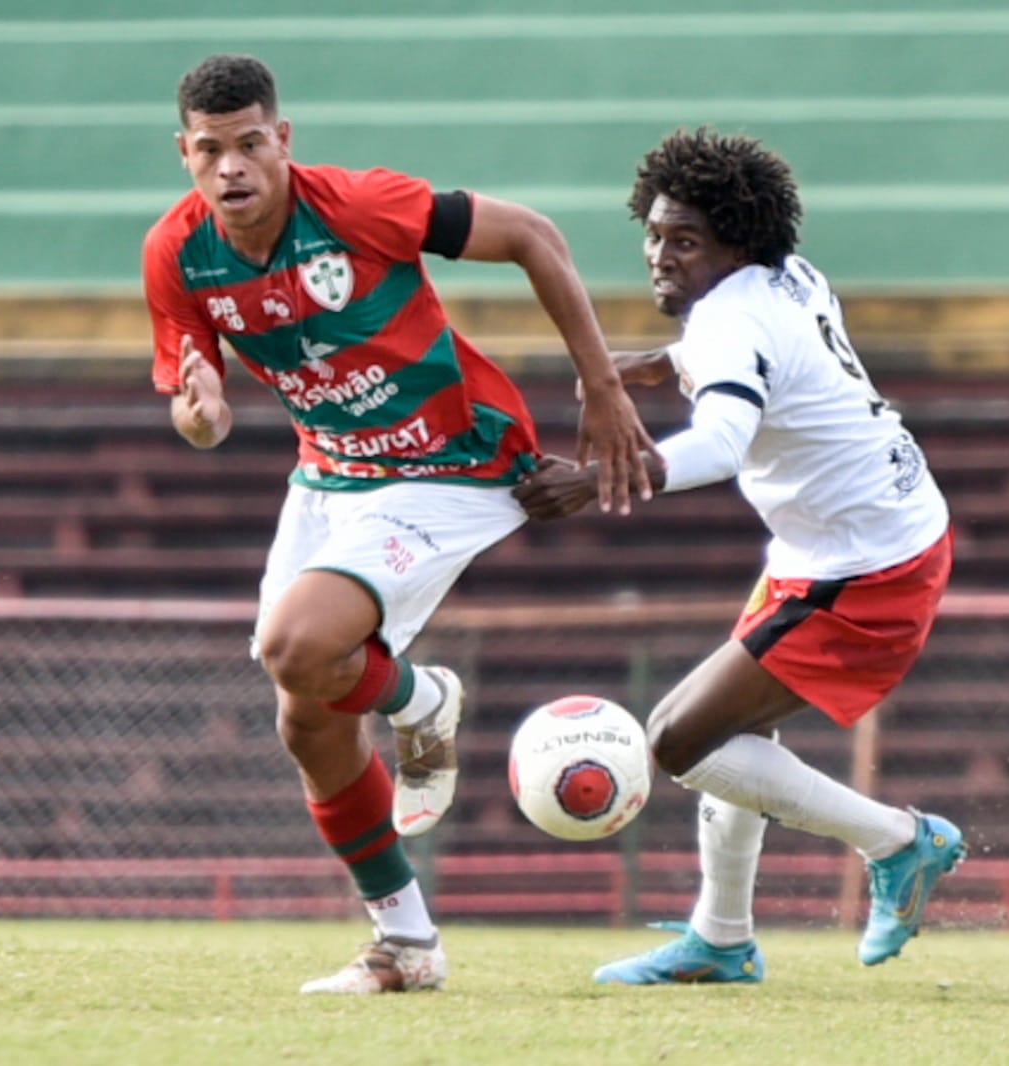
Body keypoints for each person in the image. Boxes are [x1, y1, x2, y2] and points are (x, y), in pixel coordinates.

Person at [141, 54, 655, 995]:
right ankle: (407, 945)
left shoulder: (362, 206)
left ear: (281, 139)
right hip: (330, 476)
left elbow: (534, 236)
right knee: (305, 714)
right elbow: (194, 396)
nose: (232, 169)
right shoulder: (176, 254)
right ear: (185, 153)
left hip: (447, 464)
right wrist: (201, 411)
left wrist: (601, 382)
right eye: (210, 151)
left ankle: (421, 700)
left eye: (250, 144)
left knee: (294, 644)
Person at [513, 127, 965, 982]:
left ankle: (902, 842)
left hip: (867, 566)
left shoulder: (728, 319)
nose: (659, 254)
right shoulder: (788, 276)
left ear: (736, 243)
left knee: (680, 740)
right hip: (852, 535)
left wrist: (594, 480)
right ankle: (721, 939)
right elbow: (767, 352)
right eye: (652, 233)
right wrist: (663, 364)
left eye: (684, 240)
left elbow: (723, 441)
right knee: (732, 731)